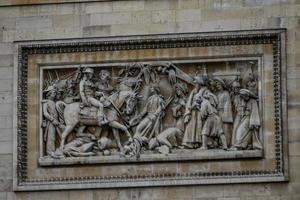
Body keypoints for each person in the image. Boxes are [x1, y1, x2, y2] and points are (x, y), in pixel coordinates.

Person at [182, 75, 208, 149]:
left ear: (200, 84)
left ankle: (197, 143)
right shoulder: (193, 92)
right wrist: (190, 108)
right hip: (193, 111)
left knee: (198, 127)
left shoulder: (204, 91)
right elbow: (189, 102)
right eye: (194, 84)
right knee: (191, 126)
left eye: (196, 83)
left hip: (200, 112)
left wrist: (199, 103)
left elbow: (206, 100)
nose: (195, 85)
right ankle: (189, 142)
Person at [42, 86, 64, 156]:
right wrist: (52, 120)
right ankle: (50, 152)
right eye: (54, 92)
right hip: (51, 122)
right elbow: (45, 113)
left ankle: (60, 150)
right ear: (49, 94)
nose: (55, 94)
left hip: (57, 121)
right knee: (51, 137)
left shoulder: (54, 102)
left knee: (60, 136)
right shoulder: (46, 102)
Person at [214, 77, 233, 146]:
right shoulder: (217, 94)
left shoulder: (226, 93)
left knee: (226, 128)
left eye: (219, 85)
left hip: (224, 112)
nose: (218, 86)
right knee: (219, 128)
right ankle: (220, 143)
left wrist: (225, 115)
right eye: (217, 85)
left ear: (222, 85)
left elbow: (227, 104)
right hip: (218, 112)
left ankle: (227, 143)